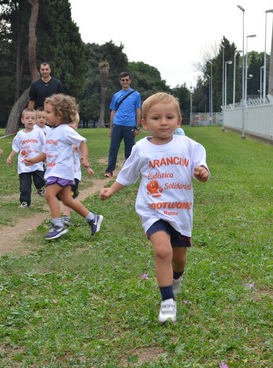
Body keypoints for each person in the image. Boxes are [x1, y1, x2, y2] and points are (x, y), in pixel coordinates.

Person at [100, 92, 210, 324]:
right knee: (162, 251)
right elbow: (128, 174)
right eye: (156, 118)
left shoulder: (189, 145)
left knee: (179, 259)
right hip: (153, 210)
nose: (163, 122)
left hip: (180, 212)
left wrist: (202, 173)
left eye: (170, 117)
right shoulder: (141, 148)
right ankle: (167, 302)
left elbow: (201, 167)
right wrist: (111, 189)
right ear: (144, 123)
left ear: (178, 121)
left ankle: (176, 278)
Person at [31, 94, 103, 240]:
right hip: (54, 170)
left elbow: (82, 142)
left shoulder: (65, 130)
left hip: (62, 170)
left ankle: (58, 225)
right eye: (44, 111)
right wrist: (32, 160)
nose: (45, 115)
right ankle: (92, 218)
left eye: (48, 112)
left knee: (49, 193)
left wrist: (84, 157)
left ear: (60, 114)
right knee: (67, 200)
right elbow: (46, 153)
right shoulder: (51, 132)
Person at [104, 72, 142, 178]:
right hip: (117, 124)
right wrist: (111, 128)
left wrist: (137, 127)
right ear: (120, 81)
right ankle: (109, 170)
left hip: (130, 125)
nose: (125, 82)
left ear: (130, 81)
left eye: (127, 79)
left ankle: (128, 171)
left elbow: (138, 111)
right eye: (123, 80)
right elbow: (113, 112)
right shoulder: (116, 95)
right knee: (113, 148)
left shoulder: (136, 95)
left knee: (129, 149)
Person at [6, 108, 46, 208]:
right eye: (27, 118)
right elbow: (16, 148)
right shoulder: (20, 135)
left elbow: (45, 145)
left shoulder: (39, 133)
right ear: (22, 120)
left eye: (32, 118)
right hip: (24, 165)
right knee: (25, 186)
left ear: (35, 120)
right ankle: (25, 202)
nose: (30, 120)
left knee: (40, 181)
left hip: (37, 164)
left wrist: (46, 157)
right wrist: (10, 156)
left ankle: (41, 188)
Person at [62, 112, 94, 226]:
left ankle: (66, 217)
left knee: (68, 195)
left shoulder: (77, 140)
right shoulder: (63, 139)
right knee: (65, 195)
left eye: (72, 123)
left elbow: (82, 156)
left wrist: (87, 167)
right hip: (64, 173)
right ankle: (66, 215)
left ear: (76, 125)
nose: (70, 125)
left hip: (74, 174)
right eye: (67, 123)